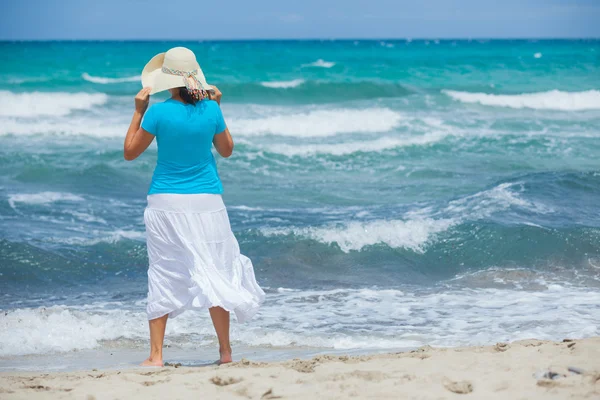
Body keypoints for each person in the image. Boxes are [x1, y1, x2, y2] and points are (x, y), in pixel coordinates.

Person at [123, 47, 265, 366]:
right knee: (217, 269)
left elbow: (130, 152)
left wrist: (138, 110)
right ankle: (225, 353)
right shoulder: (211, 110)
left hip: (166, 202)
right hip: (208, 203)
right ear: (196, 77)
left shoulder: (157, 112)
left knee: (163, 270)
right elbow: (226, 151)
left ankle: (156, 356)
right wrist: (218, 106)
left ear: (167, 80)